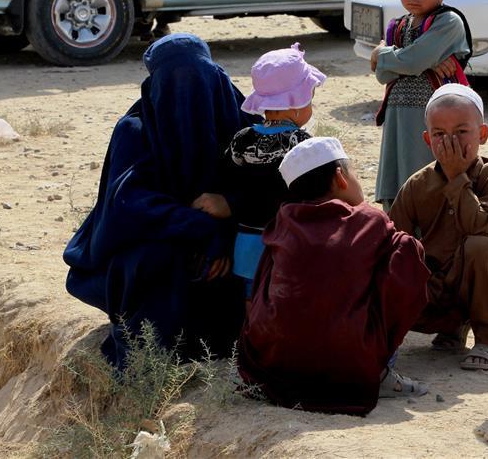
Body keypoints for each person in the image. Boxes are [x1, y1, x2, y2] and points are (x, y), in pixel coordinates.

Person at [63, 33, 257, 368]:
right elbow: (128, 207)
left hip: (227, 255)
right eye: (176, 84)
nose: (189, 95)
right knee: (157, 258)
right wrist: (204, 230)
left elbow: (270, 190)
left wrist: (230, 219)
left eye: (198, 79)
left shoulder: (239, 121)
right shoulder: (136, 130)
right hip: (162, 254)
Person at [238, 137, 431, 415]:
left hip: (275, 366)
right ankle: (379, 371)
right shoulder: (368, 220)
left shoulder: (283, 221)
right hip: (346, 365)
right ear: (340, 177)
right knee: (406, 250)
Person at [389, 84, 488, 371]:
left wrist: (456, 176)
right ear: (427, 140)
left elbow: (480, 225)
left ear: (482, 134)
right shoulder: (417, 185)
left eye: (461, 132)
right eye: (439, 135)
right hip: (440, 284)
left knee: (479, 246)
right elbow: (394, 240)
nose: (450, 142)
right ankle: (452, 326)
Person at [371, 0, 472, 209]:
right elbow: (385, 76)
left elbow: (413, 61)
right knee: (396, 188)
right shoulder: (399, 26)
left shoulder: (448, 22)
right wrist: (409, 60)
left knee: (426, 188)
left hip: (430, 119)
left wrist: (382, 55)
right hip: (398, 117)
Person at [226, 43, 322, 299]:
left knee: (250, 308)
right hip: (288, 246)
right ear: (298, 103)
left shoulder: (241, 139)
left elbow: (229, 183)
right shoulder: (301, 143)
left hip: (245, 248)